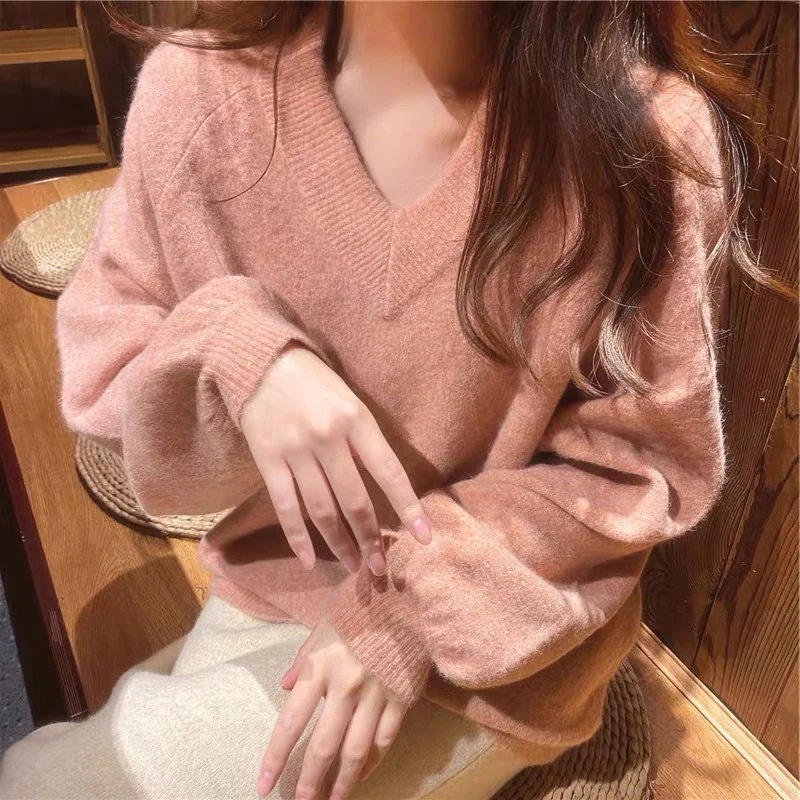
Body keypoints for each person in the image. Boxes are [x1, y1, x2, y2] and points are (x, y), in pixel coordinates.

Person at [0, 2, 789, 799]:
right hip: (274, 578)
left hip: (490, 641)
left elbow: (640, 471)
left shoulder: (642, 146)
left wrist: (408, 603)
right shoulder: (198, 90)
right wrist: (239, 353)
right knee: (71, 772)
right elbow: (108, 356)